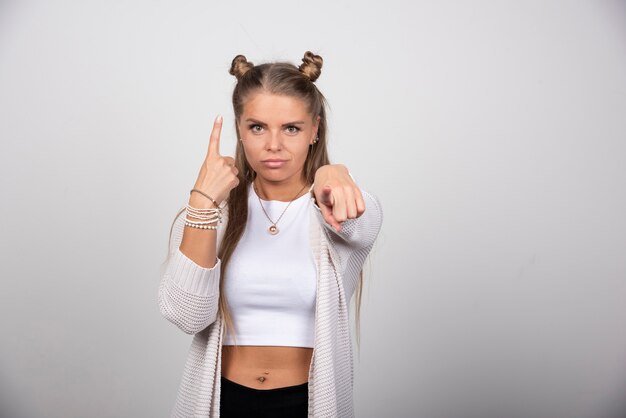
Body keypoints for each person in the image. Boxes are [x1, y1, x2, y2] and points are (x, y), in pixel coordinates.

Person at [158, 51, 383, 418]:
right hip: (224, 402)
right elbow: (187, 316)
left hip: (307, 403)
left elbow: (358, 219)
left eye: (291, 128)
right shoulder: (217, 213)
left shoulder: (336, 208)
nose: (273, 145)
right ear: (240, 129)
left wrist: (335, 174)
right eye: (257, 127)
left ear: (315, 130)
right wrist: (202, 203)